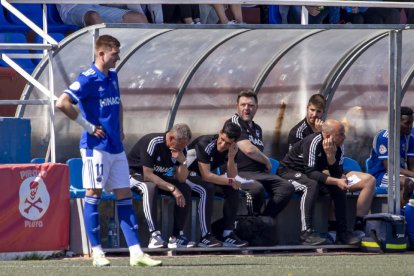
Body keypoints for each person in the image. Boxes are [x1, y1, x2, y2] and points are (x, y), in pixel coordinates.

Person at [55, 35, 161, 267]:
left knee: (124, 196)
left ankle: (136, 253)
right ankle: (97, 253)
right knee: (93, 195)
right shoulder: (87, 79)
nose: (118, 57)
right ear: (101, 53)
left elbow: (119, 103)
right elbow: (62, 103)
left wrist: (121, 128)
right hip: (96, 148)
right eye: (114, 53)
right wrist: (89, 127)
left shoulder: (112, 76)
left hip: (116, 147)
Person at [287, 94, 375, 237]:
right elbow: (306, 166)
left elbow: (337, 167)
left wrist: (336, 168)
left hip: (331, 167)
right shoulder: (299, 132)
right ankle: (332, 229)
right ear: (307, 109)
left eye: (319, 112)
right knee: (334, 182)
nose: (314, 115)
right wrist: (318, 135)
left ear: (324, 112)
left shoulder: (334, 133)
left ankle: (358, 225)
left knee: (368, 180)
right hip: (310, 172)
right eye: (312, 110)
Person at [280, 119, 362, 245]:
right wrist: (336, 181)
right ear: (328, 136)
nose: (344, 137)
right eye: (341, 134)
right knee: (311, 185)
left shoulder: (339, 146)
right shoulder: (313, 142)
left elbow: (336, 173)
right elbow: (311, 172)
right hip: (289, 172)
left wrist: (331, 158)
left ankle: (342, 233)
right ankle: (306, 233)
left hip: (309, 174)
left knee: (338, 188)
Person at [226, 90, 295, 218]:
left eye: (251, 105)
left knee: (286, 187)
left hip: (260, 174)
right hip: (240, 173)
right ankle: (254, 223)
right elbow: (248, 149)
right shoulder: (234, 123)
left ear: (257, 107)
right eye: (243, 105)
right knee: (256, 189)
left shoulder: (257, 129)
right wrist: (266, 161)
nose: (247, 108)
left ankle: (263, 221)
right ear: (237, 106)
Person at [128, 123, 195, 249]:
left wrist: (183, 162)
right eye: (179, 146)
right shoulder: (153, 142)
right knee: (149, 187)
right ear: (170, 138)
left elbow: (181, 178)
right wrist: (172, 188)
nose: (181, 149)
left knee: (185, 188)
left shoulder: (181, 148)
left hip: (159, 177)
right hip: (135, 175)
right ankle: (154, 236)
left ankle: (177, 236)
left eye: (183, 147)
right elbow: (147, 175)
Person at [186, 121, 248, 247]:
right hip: (185, 174)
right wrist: (231, 181)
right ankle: (205, 236)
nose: (223, 144)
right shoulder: (205, 143)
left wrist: (231, 157)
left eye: (228, 143)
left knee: (232, 188)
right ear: (220, 132)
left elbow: (232, 176)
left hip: (202, 177)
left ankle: (228, 234)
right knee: (207, 188)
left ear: (234, 143)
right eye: (222, 139)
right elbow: (206, 175)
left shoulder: (232, 149)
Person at [367, 106, 414, 209]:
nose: (410, 126)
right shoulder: (384, 138)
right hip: (380, 175)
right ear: (396, 122)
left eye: (412, 123)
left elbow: (411, 166)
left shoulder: (409, 138)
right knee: (409, 183)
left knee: (409, 182)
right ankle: (400, 213)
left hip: (401, 174)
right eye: (407, 123)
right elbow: (390, 169)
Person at [56, 4, 148, 27]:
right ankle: (105, 66)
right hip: (71, 7)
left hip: (97, 5)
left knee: (138, 18)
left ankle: (145, 62)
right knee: (93, 17)